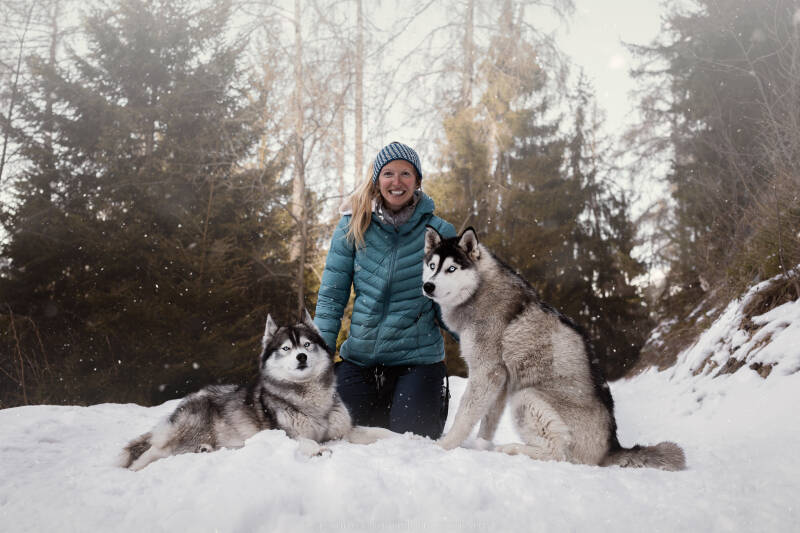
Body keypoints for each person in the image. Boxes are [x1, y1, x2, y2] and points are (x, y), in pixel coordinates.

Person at [314, 141, 457, 439]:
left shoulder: (441, 232)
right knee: (339, 432)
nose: (397, 182)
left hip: (417, 361)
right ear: (377, 180)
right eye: (389, 173)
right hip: (362, 360)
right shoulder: (352, 226)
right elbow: (331, 299)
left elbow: (454, 304)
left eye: (406, 173)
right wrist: (319, 356)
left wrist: (481, 340)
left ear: (417, 181)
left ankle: (426, 400)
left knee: (411, 440)